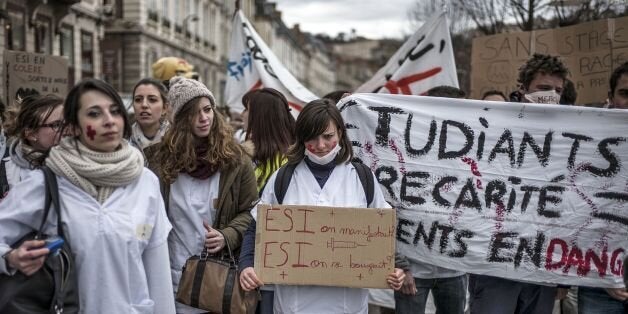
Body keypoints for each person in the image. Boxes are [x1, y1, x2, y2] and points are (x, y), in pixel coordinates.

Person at [0, 78, 175, 313]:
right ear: (73, 126)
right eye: (94, 113)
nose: (109, 121)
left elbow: (158, 275)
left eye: (115, 111)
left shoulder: (145, 183)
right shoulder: (46, 183)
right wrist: (10, 257)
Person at [238, 99, 405, 314]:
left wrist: (395, 268)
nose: (320, 145)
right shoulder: (283, 177)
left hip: (348, 304)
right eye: (312, 137)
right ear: (301, 137)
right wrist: (246, 265)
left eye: (328, 136)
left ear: (340, 134)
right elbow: (256, 227)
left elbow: (383, 233)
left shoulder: (363, 178)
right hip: (294, 303)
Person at [469, 53, 569, 314]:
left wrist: (563, 274)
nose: (551, 96)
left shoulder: (569, 135)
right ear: (523, 89)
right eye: (543, 89)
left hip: (543, 265)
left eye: (558, 90)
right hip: (495, 263)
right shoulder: (492, 126)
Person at [154, 76, 257, 313]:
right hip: (171, 279)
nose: (204, 118)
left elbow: (251, 213)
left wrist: (226, 235)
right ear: (180, 120)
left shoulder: (236, 160)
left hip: (217, 282)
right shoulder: (160, 161)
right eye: (194, 113)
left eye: (207, 109)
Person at [394, 86, 468, 314]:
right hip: (413, 268)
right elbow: (385, 212)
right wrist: (401, 265)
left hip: (455, 269)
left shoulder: (471, 155)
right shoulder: (402, 152)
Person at [575, 62, 628, 314]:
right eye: (625, 94)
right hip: (599, 284)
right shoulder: (587, 145)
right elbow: (575, 210)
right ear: (611, 97)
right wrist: (600, 272)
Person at [237, 88, 296, 314]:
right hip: (246, 265)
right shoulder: (246, 157)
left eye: (247, 110)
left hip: (274, 271)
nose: (242, 114)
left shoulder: (287, 165)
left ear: (260, 117)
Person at [1, 94, 64, 196]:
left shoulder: (79, 163)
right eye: (56, 125)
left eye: (67, 123)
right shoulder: (4, 169)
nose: (66, 131)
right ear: (31, 134)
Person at [129, 78, 170, 168]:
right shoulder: (123, 142)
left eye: (152, 100)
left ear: (165, 108)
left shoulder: (177, 142)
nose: (144, 105)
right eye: (138, 100)